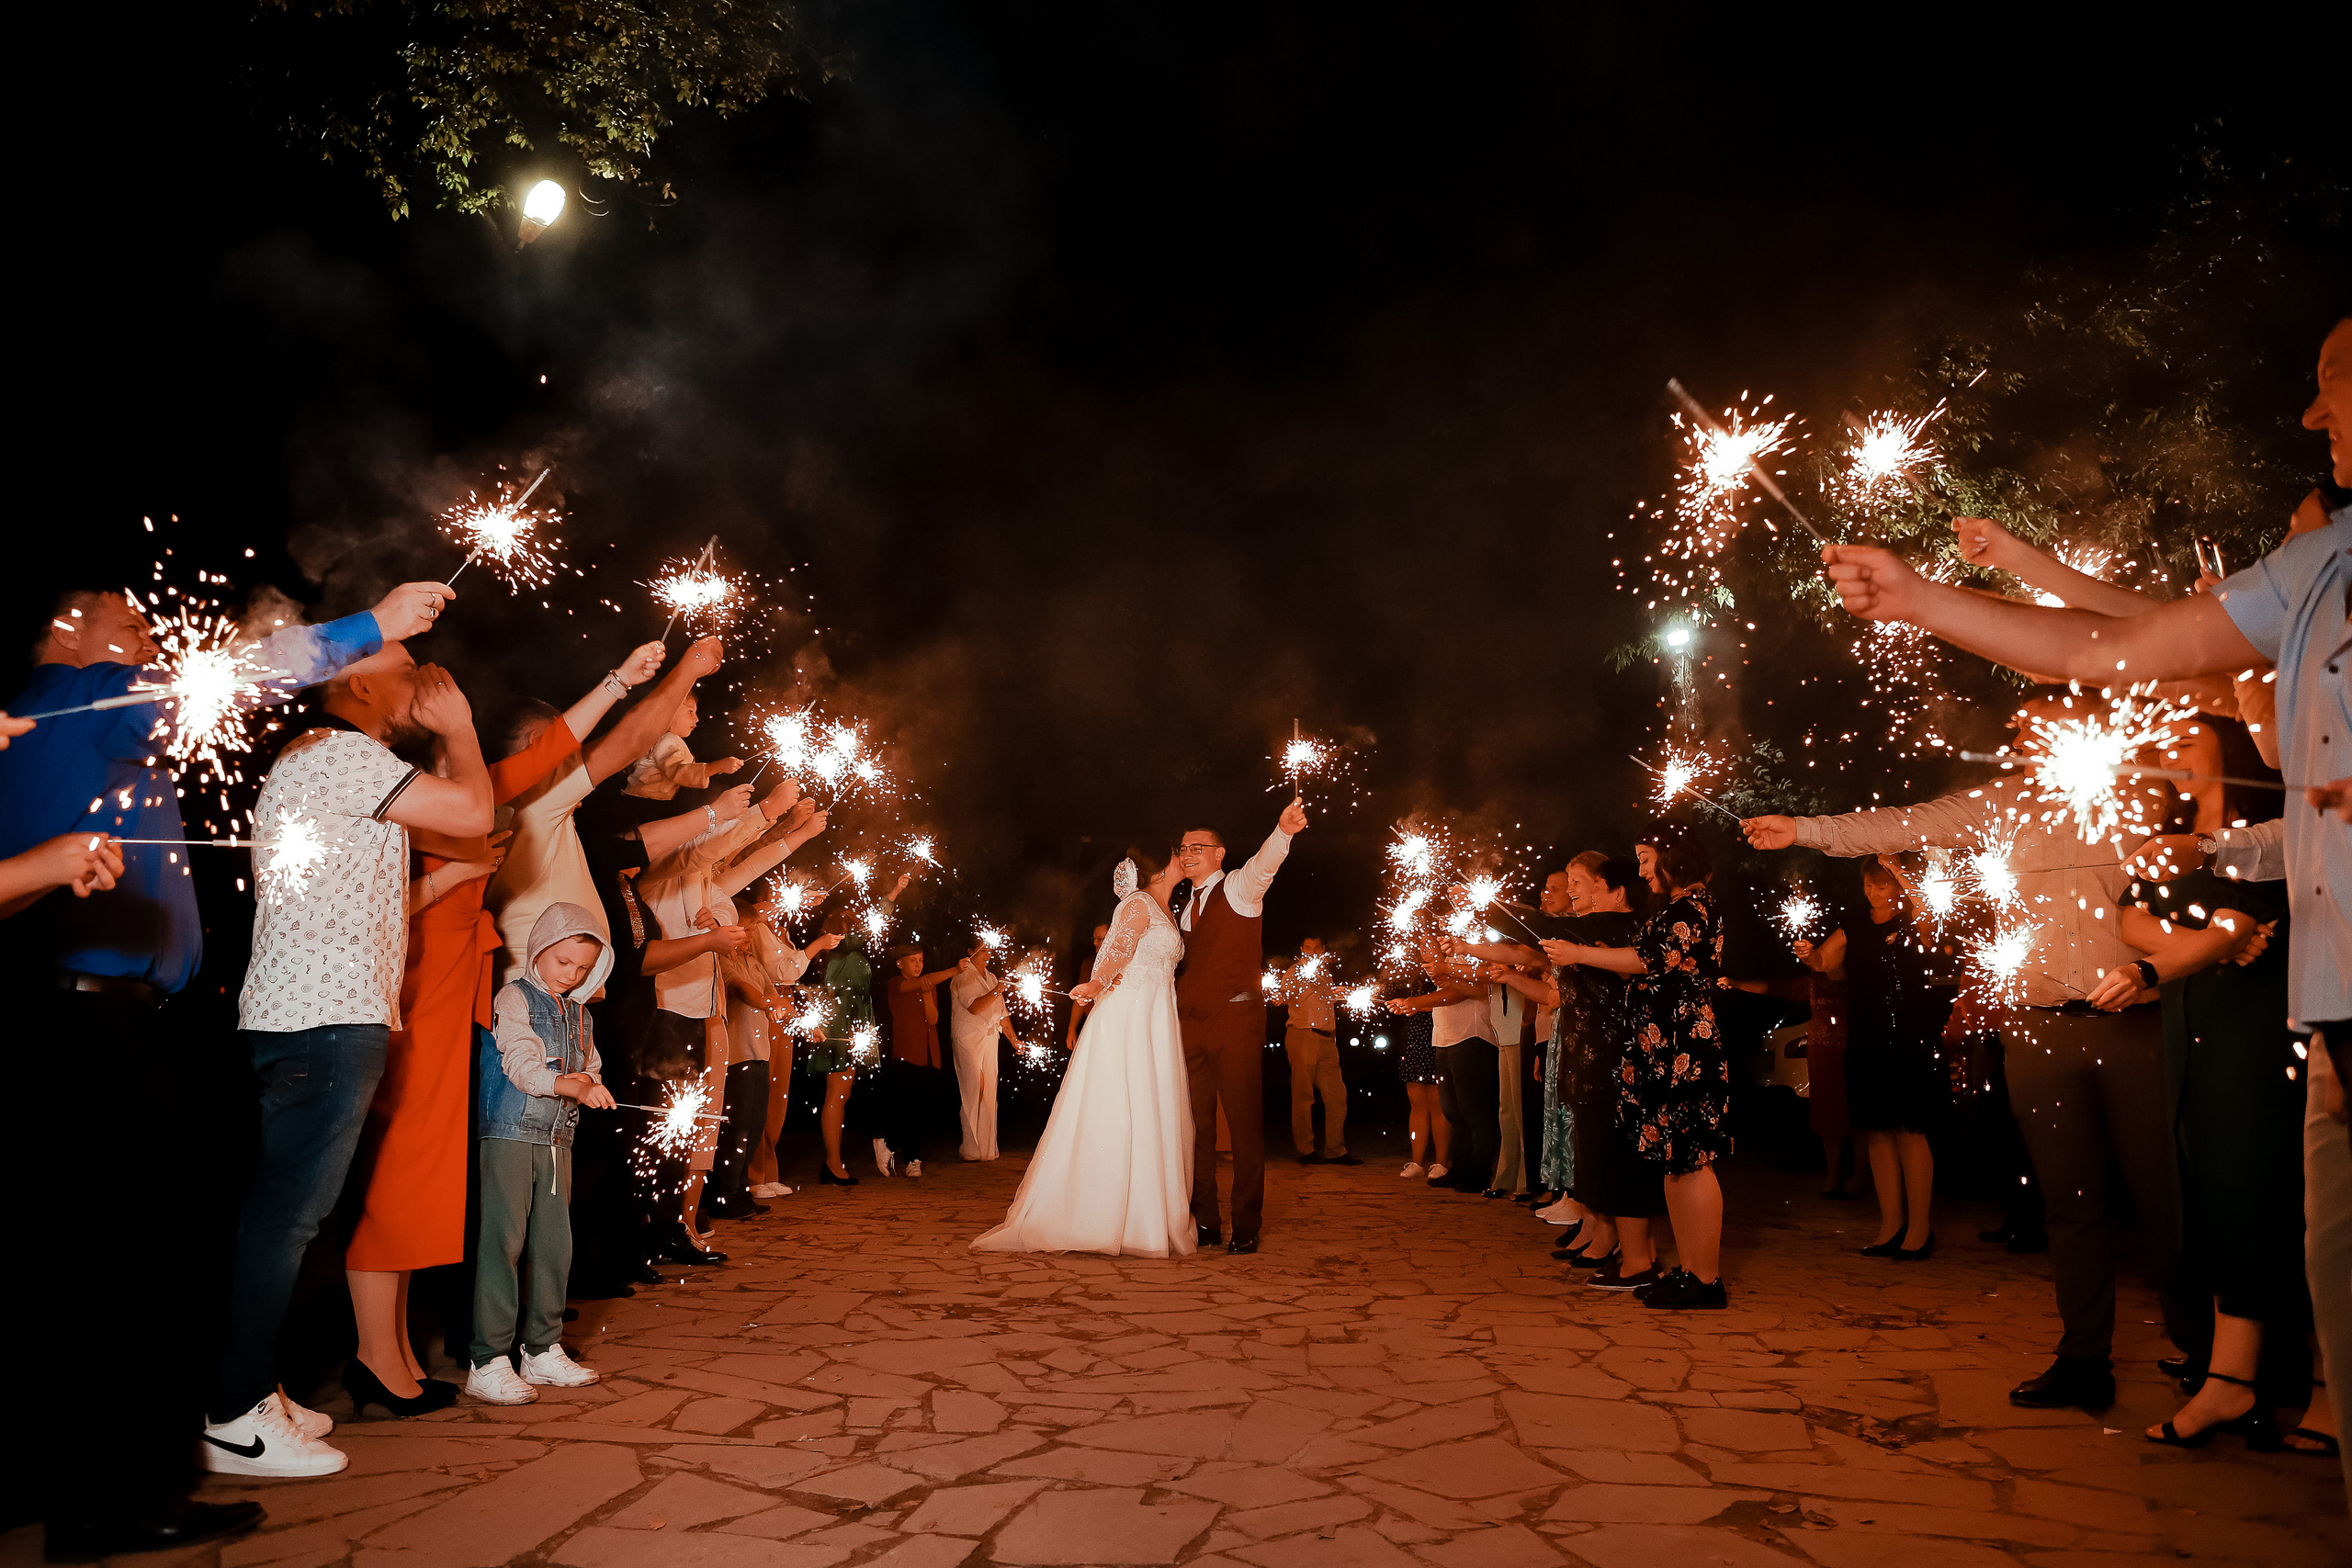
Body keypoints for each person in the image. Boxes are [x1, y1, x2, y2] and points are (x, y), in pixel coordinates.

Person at [1817, 322, 2347, 1474]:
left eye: (2334, 386)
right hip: (2314, 981)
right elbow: (2123, 636)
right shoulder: (2309, 582)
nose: (2315, 419)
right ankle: (2245, 1376)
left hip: (2253, 971)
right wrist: (1929, 597)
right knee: (2271, 1197)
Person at [1, 578, 449, 1555]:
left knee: (107, 1266)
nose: (150, 641)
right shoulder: (85, 698)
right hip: (94, 1024)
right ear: (69, 629)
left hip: (87, 1017)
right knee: (132, 1268)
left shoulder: (50, 726)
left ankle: (108, 1490)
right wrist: (376, 623)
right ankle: (116, 1500)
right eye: (129, 624)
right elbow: (239, 677)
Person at [1745, 694, 2188, 1402]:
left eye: (2033, 721)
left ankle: (2208, 1350)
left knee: (2165, 1195)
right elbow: (1904, 823)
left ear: (2082, 729)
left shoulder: (2139, 795)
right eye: (2014, 724)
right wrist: (1802, 827)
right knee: (2069, 1204)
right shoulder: (2002, 802)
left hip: (2136, 1020)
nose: (2014, 732)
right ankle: (2083, 1361)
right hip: (2038, 1024)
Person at [345, 640, 669, 1410]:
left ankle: (397, 1354)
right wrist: (458, 872)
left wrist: (620, 678)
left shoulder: (468, 792)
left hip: (460, 991)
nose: (429, 680)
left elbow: (549, 753)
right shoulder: (402, 794)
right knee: (402, 1179)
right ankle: (384, 1355)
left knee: (427, 1183)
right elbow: (371, 903)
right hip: (417, 989)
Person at [205, 645, 493, 1470]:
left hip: (315, 1014)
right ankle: (235, 1410)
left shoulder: (329, 762)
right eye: (407, 667)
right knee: (287, 1219)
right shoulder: (341, 753)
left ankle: (254, 1387)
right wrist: (462, 725)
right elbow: (475, 811)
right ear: (359, 681)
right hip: (323, 1021)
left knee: (290, 1216)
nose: (424, 680)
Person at [973, 845, 1196, 1256]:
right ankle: (1101, 1216)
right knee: (1121, 1102)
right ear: (1163, 860)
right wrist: (1095, 985)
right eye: (1180, 851)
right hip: (1129, 1016)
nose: (1186, 856)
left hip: (1156, 1017)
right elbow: (1116, 952)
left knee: (1152, 1105)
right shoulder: (1138, 903)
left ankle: (1148, 1214)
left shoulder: (1171, 906)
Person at [1549, 836, 1731, 1309]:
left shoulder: (1692, 908)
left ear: (1675, 859)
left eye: (1647, 860)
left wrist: (1580, 954)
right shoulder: (1672, 909)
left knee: (1691, 1160)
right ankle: (1689, 1271)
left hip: (1682, 1049)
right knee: (1675, 1163)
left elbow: (1646, 961)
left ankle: (1706, 1278)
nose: (1642, 870)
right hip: (1659, 1050)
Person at [464, 903, 615, 1405]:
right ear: (539, 951)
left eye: (582, 969)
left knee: (554, 1246)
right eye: (562, 962)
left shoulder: (582, 1014)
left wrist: (592, 1082)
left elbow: (590, 1064)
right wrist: (569, 1086)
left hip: (556, 1142)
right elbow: (521, 1062)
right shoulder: (514, 998)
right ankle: (488, 1359)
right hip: (509, 1134)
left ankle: (543, 1349)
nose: (571, 976)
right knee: (502, 1243)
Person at [1794, 858, 1949, 1259]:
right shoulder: (1855, 924)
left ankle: (1920, 1229)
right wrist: (1809, 954)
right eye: (1868, 884)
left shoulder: (1918, 918)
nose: (1873, 892)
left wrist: (1899, 868)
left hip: (1911, 1036)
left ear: (1899, 884)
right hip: (1867, 1037)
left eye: (1882, 885)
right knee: (1878, 1131)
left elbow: (1932, 923)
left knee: (1910, 1130)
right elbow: (1825, 963)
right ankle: (1889, 1224)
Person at [1175, 802, 1310, 1253]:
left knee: (1244, 1123)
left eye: (1199, 847)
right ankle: (1206, 1221)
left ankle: (1246, 1223)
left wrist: (1283, 831)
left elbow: (1265, 865)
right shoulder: (1181, 909)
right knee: (1195, 1126)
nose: (1189, 854)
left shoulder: (1238, 889)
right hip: (1189, 1025)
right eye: (1183, 848)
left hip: (1235, 1020)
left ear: (1219, 853)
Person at [884, 942, 966, 1178]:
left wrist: (928, 990)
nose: (919, 965)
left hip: (929, 1053)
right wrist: (955, 970)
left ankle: (888, 1143)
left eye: (921, 960)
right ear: (900, 963)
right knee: (910, 1108)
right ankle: (912, 1160)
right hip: (906, 1052)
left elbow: (932, 1019)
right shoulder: (895, 983)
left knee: (923, 1108)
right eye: (913, 960)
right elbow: (919, 983)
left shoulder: (928, 984)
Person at [1283, 936, 1355, 1164]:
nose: (1312, 951)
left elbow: (1324, 997)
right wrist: (1312, 982)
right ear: (1301, 949)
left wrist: (1336, 992)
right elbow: (1286, 996)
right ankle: (1306, 1151)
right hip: (1303, 1035)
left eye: (1317, 948)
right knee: (1304, 1096)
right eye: (1308, 947)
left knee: (1337, 1095)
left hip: (1327, 1039)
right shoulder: (1295, 971)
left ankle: (1336, 1150)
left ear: (1323, 950)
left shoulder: (1325, 974)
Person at [951, 932, 1021, 1162]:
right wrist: (998, 990)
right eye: (982, 949)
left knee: (988, 1090)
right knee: (974, 1087)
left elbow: (1001, 1014)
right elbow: (974, 1007)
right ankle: (970, 1146)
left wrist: (1013, 1039)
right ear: (971, 952)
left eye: (989, 949)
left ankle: (986, 1149)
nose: (987, 954)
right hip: (968, 1037)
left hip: (990, 1039)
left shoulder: (992, 978)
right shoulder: (963, 976)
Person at [621, 691, 741, 804]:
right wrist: (717, 767)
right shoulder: (667, 740)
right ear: (669, 714)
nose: (697, 718)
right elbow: (679, 771)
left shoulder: (663, 739)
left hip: (645, 802)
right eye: (690, 712)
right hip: (647, 804)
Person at [1387, 972, 1444, 1179]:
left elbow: (1451, 999)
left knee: (1438, 1103)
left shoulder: (1446, 968)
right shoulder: (1408, 971)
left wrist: (1418, 1004)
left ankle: (1442, 1163)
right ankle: (1417, 1162)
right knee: (1417, 1102)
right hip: (1413, 1038)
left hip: (1438, 1034)